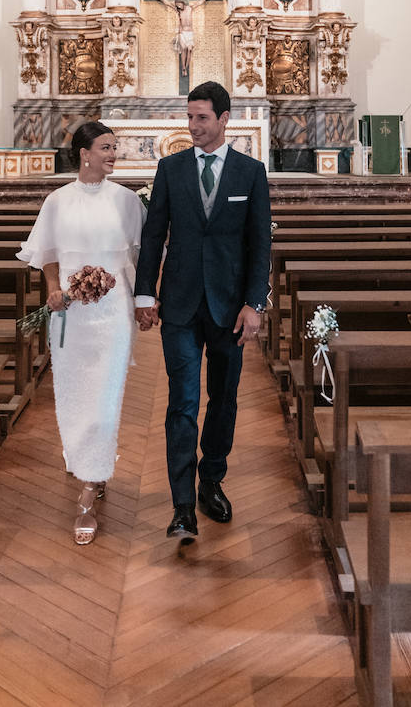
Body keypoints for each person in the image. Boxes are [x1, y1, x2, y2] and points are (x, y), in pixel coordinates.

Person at [135, 81, 271, 542]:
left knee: (224, 400)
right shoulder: (170, 169)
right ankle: (182, 507)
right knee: (183, 403)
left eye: (202, 118)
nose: (192, 126)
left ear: (224, 118)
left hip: (230, 306)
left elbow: (259, 244)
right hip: (180, 303)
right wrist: (143, 294)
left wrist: (255, 303)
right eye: (190, 117)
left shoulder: (250, 172)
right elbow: (154, 235)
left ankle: (212, 479)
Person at [17, 122, 145, 545]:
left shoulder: (128, 201)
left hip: (113, 315)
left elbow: (144, 256)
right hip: (71, 315)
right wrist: (54, 289)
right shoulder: (57, 201)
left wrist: (146, 300)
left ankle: (88, 490)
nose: (113, 154)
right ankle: (90, 464)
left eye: (115, 148)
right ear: (84, 153)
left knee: (105, 400)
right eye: (106, 148)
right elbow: (48, 253)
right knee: (73, 396)